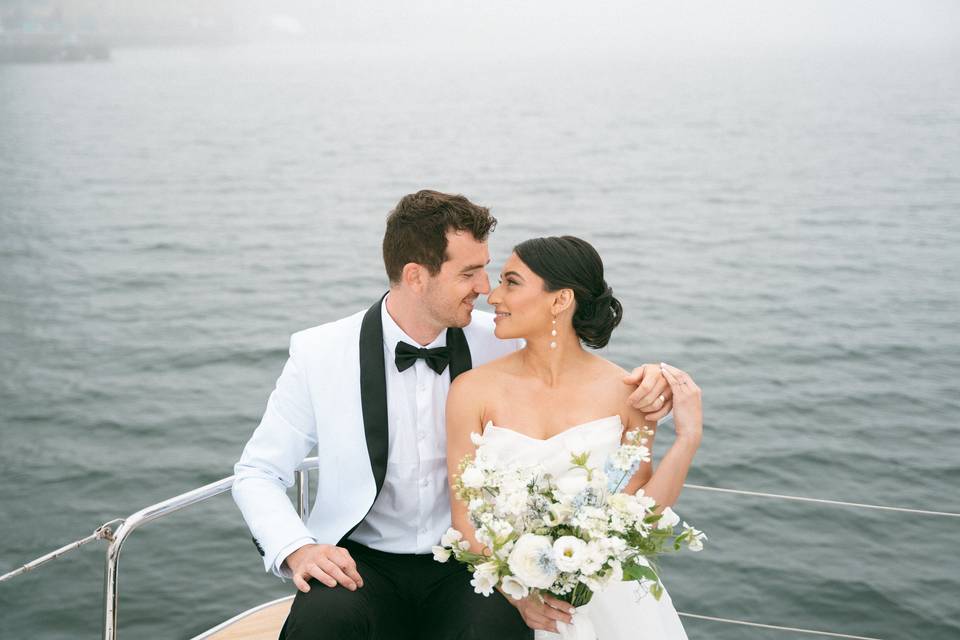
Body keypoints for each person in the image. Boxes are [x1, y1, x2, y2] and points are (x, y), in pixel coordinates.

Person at [232, 191, 675, 640]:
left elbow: (575, 368)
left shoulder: (505, 340)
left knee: (494, 631)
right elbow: (258, 472)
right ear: (416, 276)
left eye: (487, 269)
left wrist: (654, 376)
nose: (485, 288)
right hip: (360, 559)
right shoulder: (319, 352)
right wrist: (298, 549)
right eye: (469, 272)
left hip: (470, 564)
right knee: (319, 626)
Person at [446, 235, 701, 639]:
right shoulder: (471, 391)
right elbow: (466, 520)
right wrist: (517, 592)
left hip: (615, 599)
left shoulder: (628, 392)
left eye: (511, 282)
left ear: (560, 300)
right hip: (511, 600)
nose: (492, 296)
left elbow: (640, 513)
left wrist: (688, 437)